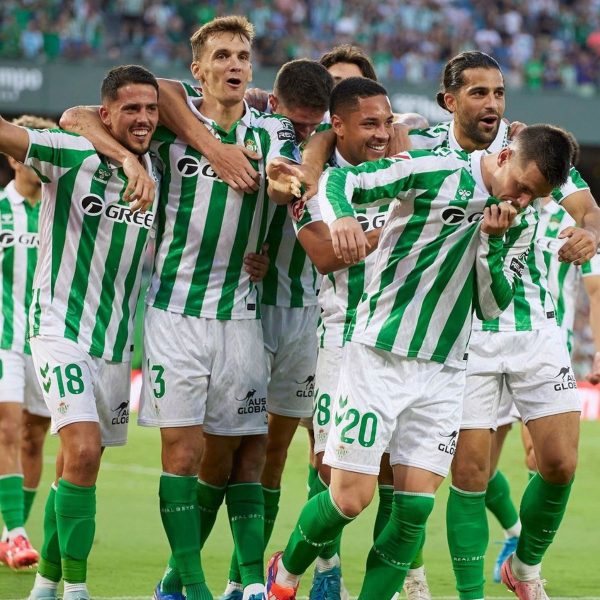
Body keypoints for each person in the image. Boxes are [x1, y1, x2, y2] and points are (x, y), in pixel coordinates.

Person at [266, 124, 575, 600]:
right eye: (521, 185)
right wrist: (344, 219)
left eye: (534, 196)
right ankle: (284, 574)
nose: (521, 200)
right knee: (351, 499)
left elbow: (492, 306)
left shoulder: (519, 220)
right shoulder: (436, 170)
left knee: (413, 511)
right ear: (505, 154)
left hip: (446, 371)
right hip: (378, 356)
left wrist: (494, 243)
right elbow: (337, 182)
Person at [0, 65, 161, 600]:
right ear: (106, 112)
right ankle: (78, 589)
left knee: (74, 466)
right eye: (130, 109)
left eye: (150, 109)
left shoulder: (163, 167)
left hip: (116, 345)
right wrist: (109, 146)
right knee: (84, 451)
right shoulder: (66, 152)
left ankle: (46, 582)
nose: (142, 119)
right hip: (57, 330)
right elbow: (41, 125)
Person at [0, 115, 55, 570]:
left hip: (48, 341)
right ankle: (16, 534)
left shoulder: (63, 214)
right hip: (3, 338)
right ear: (14, 156)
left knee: (35, 440)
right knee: (6, 429)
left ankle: (12, 531)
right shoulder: (0, 212)